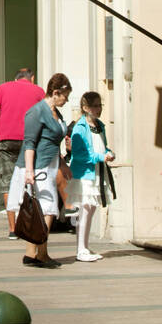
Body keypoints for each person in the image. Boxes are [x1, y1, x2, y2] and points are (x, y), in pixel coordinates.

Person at [6, 72, 73, 269]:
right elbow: (29, 143)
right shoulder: (37, 111)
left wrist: (61, 163)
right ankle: (38, 253)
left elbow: (54, 143)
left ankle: (34, 252)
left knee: (43, 209)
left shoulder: (56, 113)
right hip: (37, 166)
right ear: (55, 92)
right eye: (65, 96)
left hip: (50, 165)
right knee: (47, 208)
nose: (66, 100)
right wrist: (29, 171)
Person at [0, 68, 45, 239]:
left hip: (6, 139)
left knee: (8, 182)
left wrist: (0, 125)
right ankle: (29, 224)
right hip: (30, 140)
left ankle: (13, 229)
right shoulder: (38, 91)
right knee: (29, 180)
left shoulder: (3, 87)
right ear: (32, 78)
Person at [66, 91, 116, 262]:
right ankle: (81, 249)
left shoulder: (100, 125)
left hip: (97, 172)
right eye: (94, 106)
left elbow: (103, 146)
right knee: (85, 209)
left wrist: (108, 153)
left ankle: (84, 246)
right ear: (85, 108)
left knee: (91, 208)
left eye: (99, 105)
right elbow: (80, 154)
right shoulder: (80, 127)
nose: (98, 109)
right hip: (85, 174)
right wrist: (101, 156)